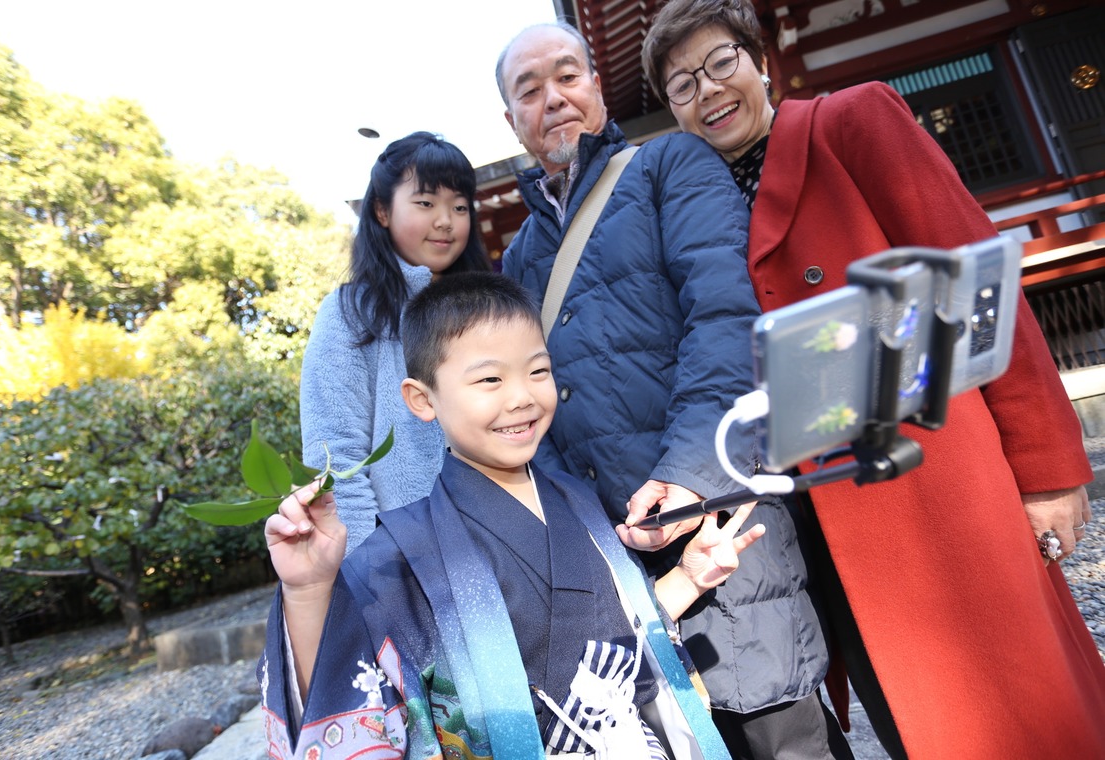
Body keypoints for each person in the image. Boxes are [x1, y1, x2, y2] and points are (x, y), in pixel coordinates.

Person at [640, 1, 1105, 758]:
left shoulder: (851, 123)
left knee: (1022, 713)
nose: (707, 90)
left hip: (938, 487)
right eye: (682, 84)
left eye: (720, 62)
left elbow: (978, 278)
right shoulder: (700, 209)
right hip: (824, 523)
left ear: (762, 61)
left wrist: (1048, 471)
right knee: (916, 725)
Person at [497, 21, 854, 760]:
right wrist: (577, 540)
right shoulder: (518, 257)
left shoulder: (670, 166)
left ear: (597, 86)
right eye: (529, 91)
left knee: (778, 729)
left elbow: (728, 322)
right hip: (620, 565)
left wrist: (689, 481)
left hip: (722, 523)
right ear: (511, 121)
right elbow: (529, 415)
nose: (553, 99)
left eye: (568, 76)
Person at [260, 271, 767, 759]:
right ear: (422, 399)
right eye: (489, 379)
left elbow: (618, 634)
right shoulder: (400, 551)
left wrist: (689, 579)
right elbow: (344, 690)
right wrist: (306, 591)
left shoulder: (575, 499)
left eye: (538, 371)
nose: (522, 396)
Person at [300, 131, 491, 553]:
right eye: (425, 203)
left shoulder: (490, 307)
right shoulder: (350, 313)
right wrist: (372, 565)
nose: (446, 220)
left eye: (459, 207)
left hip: (505, 540)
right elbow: (336, 456)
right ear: (383, 211)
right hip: (409, 557)